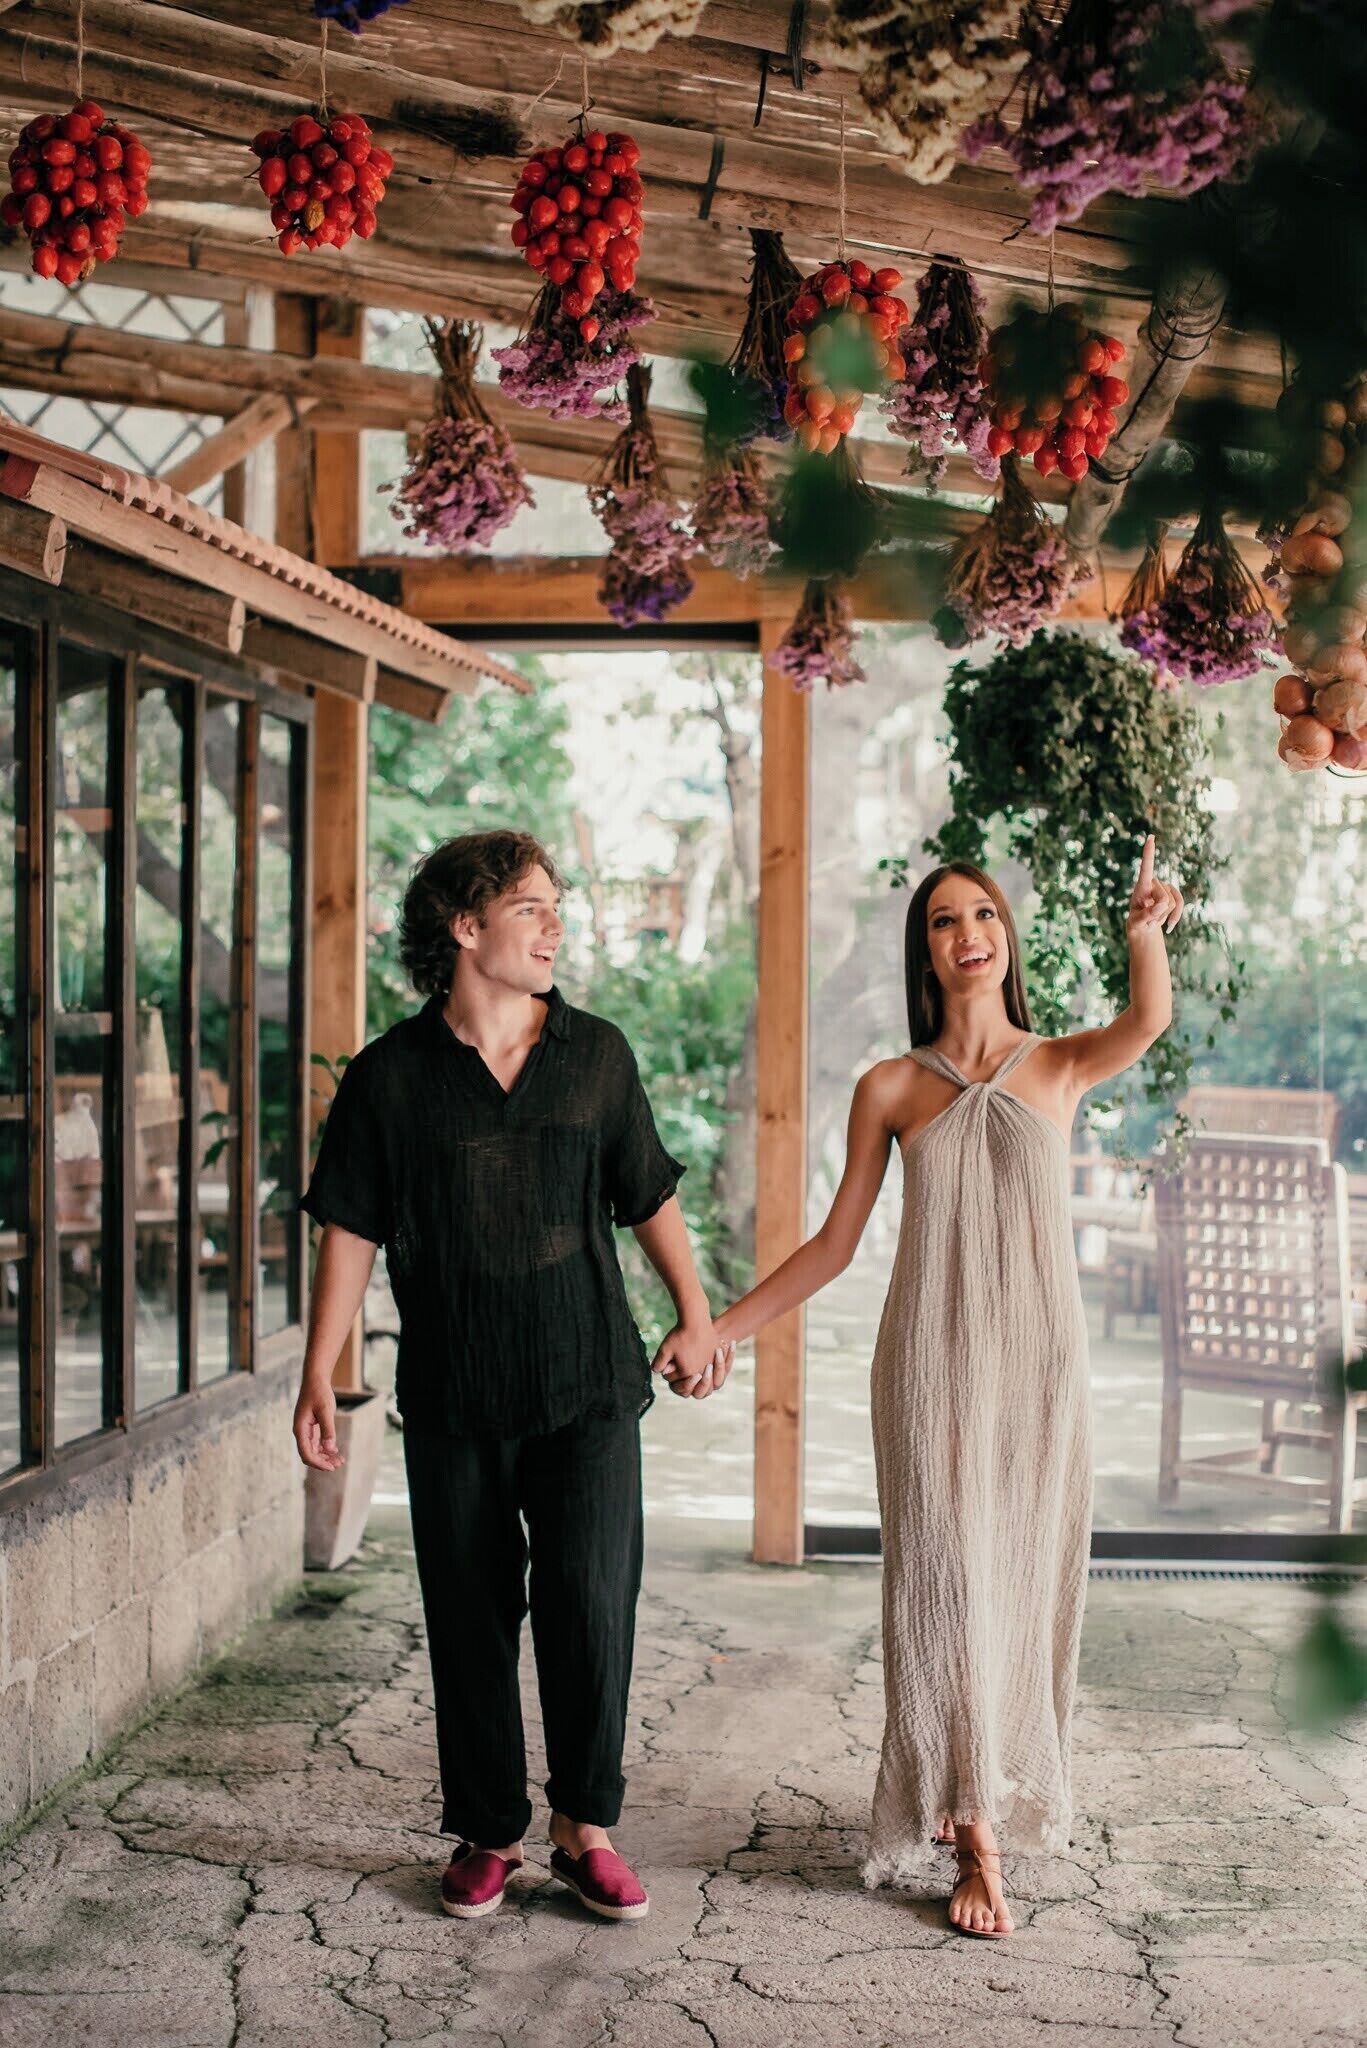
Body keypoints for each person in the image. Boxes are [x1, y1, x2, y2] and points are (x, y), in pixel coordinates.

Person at [660, 837, 1183, 1938]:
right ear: (926, 951)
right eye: (945, 921)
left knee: (1018, 1588)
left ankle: (988, 1794)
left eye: (982, 915)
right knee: (939, 1587)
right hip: (929, 1367)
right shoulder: (889, 1086)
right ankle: (972, 1833)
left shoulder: (1058, 1065)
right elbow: (835, 1241)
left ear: (1006, 937)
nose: (968, 936)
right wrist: (721, 1328)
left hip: (1038, 1371)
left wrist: (1143, 933)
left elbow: (1148, 1023)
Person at [292, 829, 730, 1924]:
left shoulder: (595, 1053)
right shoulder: (389, 1075)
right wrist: (317, 1371)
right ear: (465, 926)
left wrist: (696, 1308)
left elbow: (646, 1192)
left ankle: (586, 1826)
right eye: (530, 907)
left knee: (588, 1604)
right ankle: (486, 1829)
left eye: (554, 905)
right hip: (451, 1391)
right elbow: (347, 1224)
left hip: (585, 1381)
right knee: (469, 1614)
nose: (554, 924)